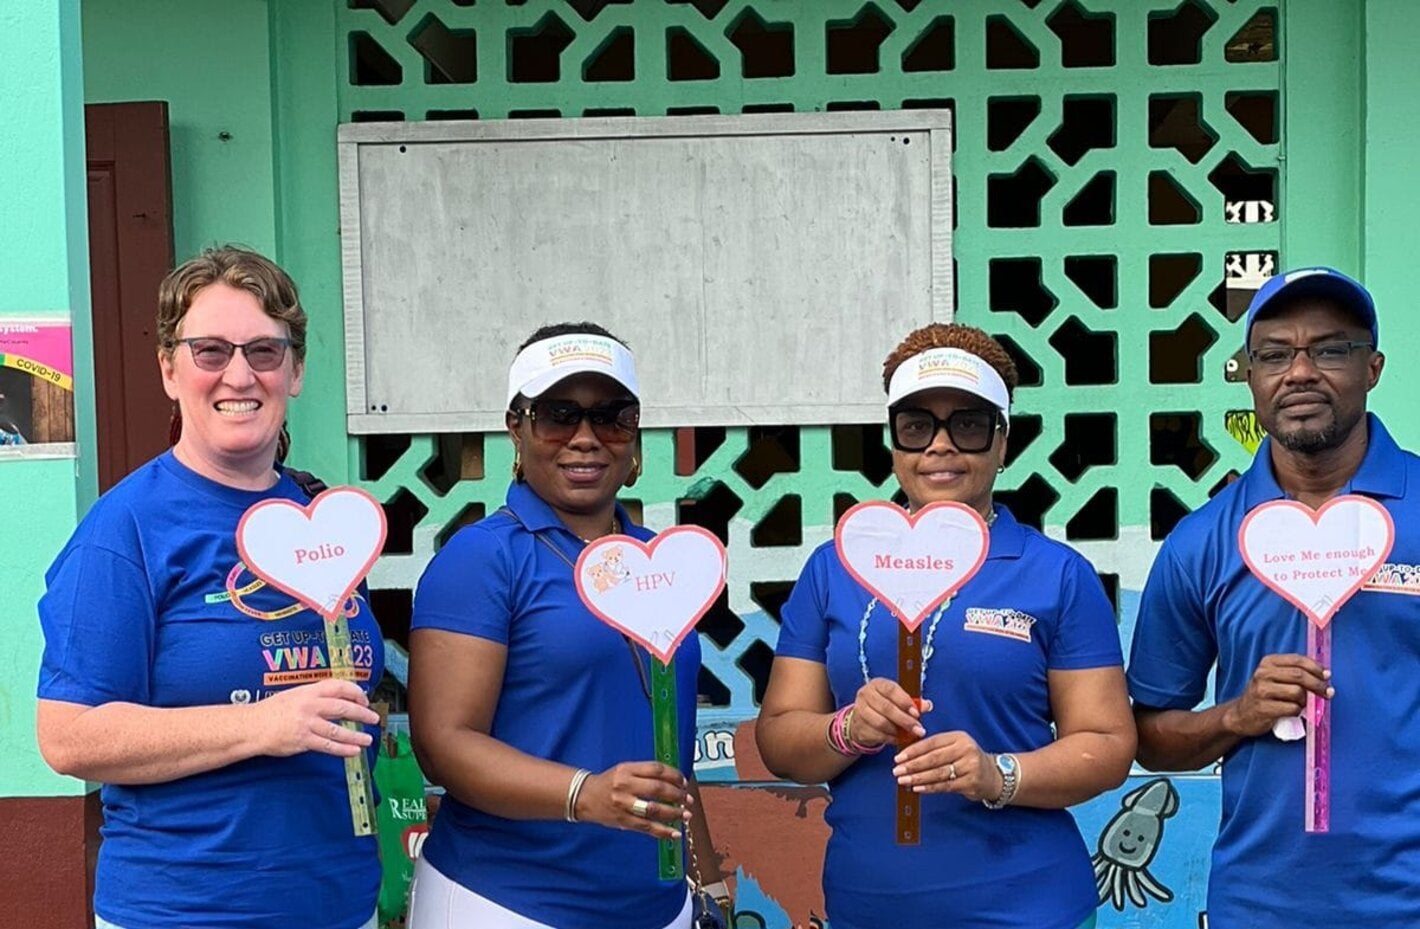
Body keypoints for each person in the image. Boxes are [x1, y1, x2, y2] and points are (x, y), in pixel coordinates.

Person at [35, 247, 383, 929]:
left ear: (295, 371)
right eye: (210, 351)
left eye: (264, 351)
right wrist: (261, 723)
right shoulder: (127, 528)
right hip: (184, 908)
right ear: (170, 369)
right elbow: (69, 736)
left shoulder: (326, 522)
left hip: (338, 903)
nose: (239, 374)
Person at [756, 322, 1135, 929]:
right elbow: (779, 740)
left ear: (1003, 442)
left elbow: (1107, 744)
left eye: (968, 425)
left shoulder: (1055, 575)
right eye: (916, 426)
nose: (940, 446)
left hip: (1029, 909)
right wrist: (848, 729)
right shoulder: (834, 569)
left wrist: (997, 773)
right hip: (868, 908)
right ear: (893, 442)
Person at [406, 323, 728, 929]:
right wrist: (585, 793)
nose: (585, 438)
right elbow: (444, 743)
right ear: (517, 428)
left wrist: (707, 883)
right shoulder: (483, 558)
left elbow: (670, 751)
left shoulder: (660, 561)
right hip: (506, 902)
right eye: (558, 416)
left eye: (611, 417)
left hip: (658, 907)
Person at [1127, 266, 1420, 926]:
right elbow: (1149, 738)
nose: (1301, 372)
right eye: (1275, 354)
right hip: (1260, 905)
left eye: (1330, 350)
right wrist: (1237, 714)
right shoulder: (1202, 540)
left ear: (1373, 368)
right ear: (1250, 376)